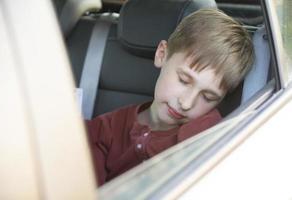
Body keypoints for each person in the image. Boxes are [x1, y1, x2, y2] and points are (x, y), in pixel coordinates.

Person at [86, 8, 254, 186]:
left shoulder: (205, 138)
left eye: (208, 97)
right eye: (183, 80)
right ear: (162, 55)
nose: (186, 103)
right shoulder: (107, 128)